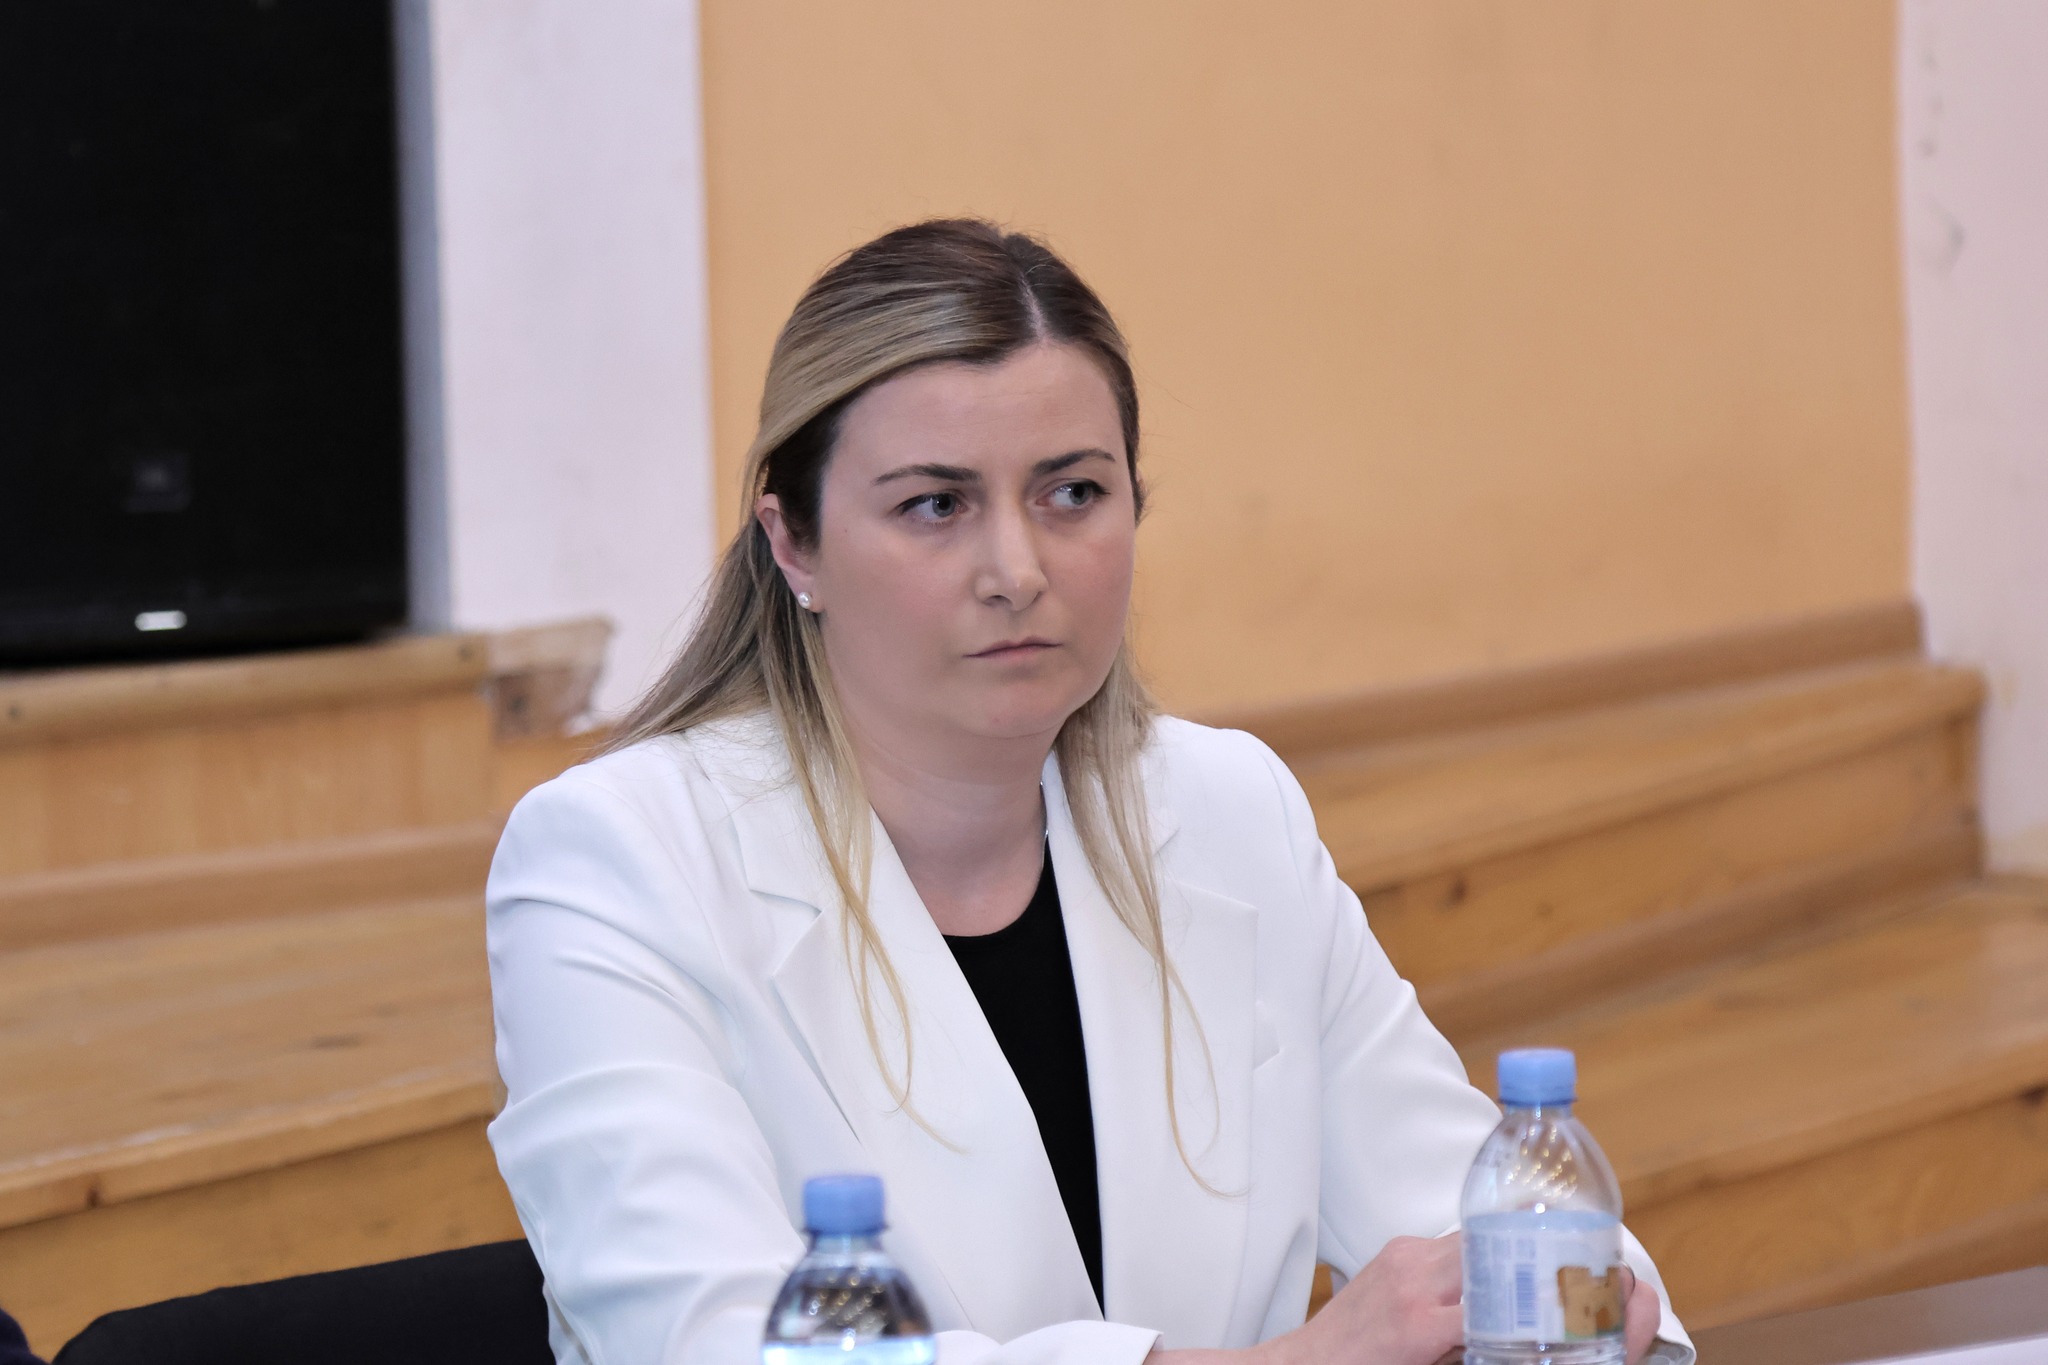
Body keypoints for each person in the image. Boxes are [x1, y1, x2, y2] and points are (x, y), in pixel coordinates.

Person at [485, 219, 1690, 1365]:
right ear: (792, 544)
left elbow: (1504, 1225)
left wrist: (1576, 1306)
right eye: (934, 505)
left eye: (1070, 494)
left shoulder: (1228, 810)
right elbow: (715, 1347)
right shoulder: (619, 859)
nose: (1017, 571)